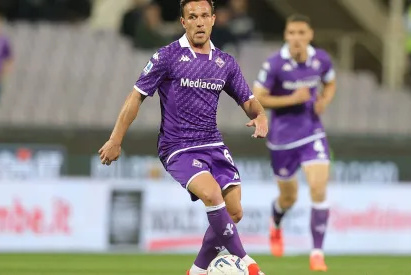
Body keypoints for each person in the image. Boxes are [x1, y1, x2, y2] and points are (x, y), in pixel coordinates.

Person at [98, 1, 268, 275]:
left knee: (234, 212)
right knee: (213, 195)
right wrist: (115, 139)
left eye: (204, 16)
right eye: (192, 17)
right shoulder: (167, 56)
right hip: (178, 147)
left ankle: (197, 271)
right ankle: (249, 265)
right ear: (183, 22)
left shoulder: (225, 63)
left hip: (213, 144)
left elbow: (249, 102)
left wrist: (261, 116)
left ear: (213, 19)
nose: (199, 22)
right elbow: (135, 98)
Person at [253, 14, 336, 271]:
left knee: (318, 188)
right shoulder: (275, 64)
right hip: (282, 139)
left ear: (310, 35)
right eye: (292, 33)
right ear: (285, 36)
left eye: (301, 33)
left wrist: (324, 100)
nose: (296, 38)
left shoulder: (321, 59)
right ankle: (276, 222)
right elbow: (257, 98)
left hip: (312, 132)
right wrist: (292, 99)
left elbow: (330, 82)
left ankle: (317, 253)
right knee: (288, 198)